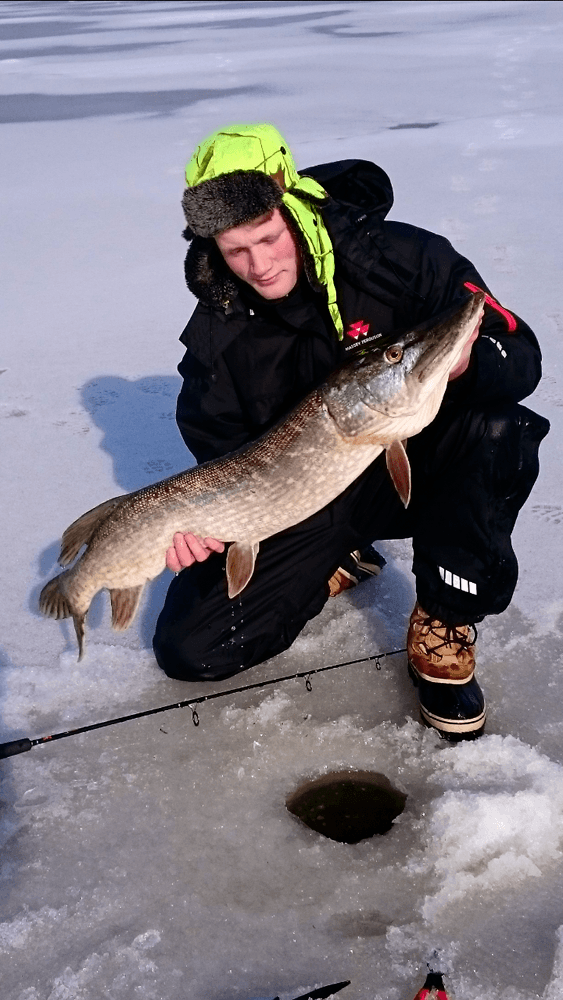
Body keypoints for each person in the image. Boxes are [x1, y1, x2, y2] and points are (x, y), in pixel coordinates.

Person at [152, 123, 549, 742]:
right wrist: (211, 523)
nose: (259, 265)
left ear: (294, 205)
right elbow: (221, 449)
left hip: (423, 463)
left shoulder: (403, 260)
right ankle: (342, 556)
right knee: (192, 648)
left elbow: (521, 356)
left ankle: (444, 620)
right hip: (308, 494)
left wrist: (472, 363)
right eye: (236, 250)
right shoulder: (218, 334)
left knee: (498, 427)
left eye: (268, 237)